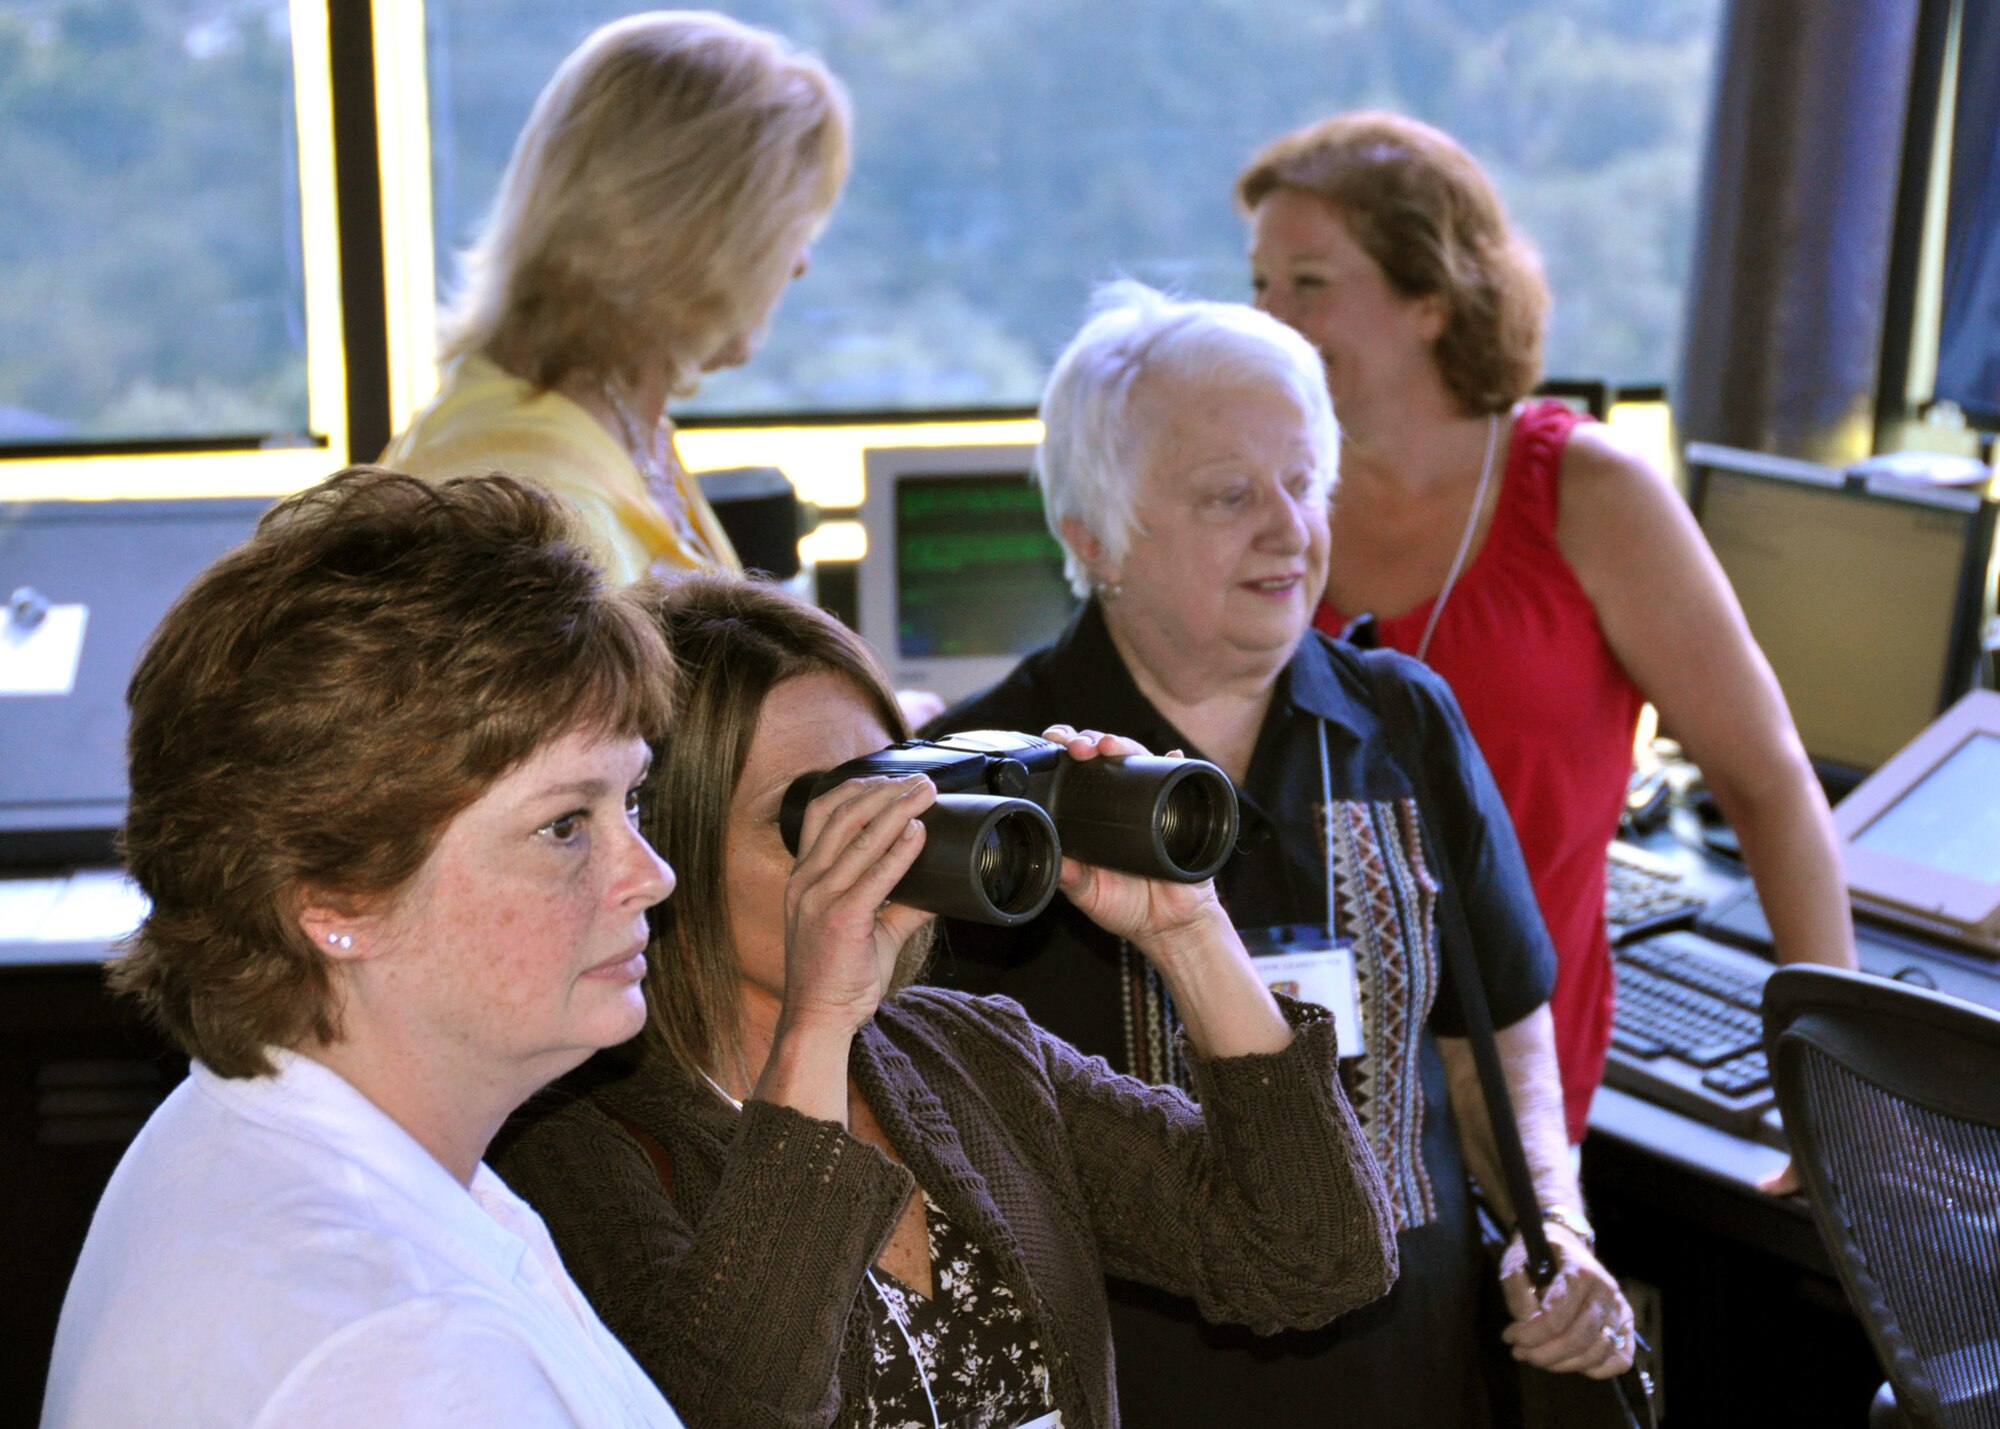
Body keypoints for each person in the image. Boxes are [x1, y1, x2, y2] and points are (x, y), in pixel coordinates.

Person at [924, 282, 1634, 1427]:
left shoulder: (1404, 723)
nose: (1287, 529)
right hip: (1144, 1387)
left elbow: (1495, 1029)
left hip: (1418, 1372)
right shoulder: (993, 795)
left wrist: (1553, 1222)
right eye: (1227, 496)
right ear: (1091, 534)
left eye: (1303, 483)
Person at [489, 573, 1398, 1429]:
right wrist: (816, 1025)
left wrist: (1188, 933)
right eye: (820, 821)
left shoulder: (972, 1060)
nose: (886, 846)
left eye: (892, 793)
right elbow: (731, 1405)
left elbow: (1318, 1258)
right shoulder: (570, 1145)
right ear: (666, 859)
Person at [1237, 110, 1857, 1149]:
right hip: (1287, 1090)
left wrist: (1836, 1082)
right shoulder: (1265, 498)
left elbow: (1767, 783)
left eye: (1307, 283)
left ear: (1429, 298)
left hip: (1511, 1094)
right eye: (1257, 284)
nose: (1266, 317)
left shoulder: (1590, 492)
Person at [41, 470, 686, 1428]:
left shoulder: (251, 1129)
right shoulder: (405, 1357)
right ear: (335, 895)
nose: (652, 874)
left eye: (627, 801)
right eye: (564, 826)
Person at [382, 11, 851, 583]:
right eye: (786, 235)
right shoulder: (545, 515)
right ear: (698, 242)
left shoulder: (614, 418)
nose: (800, 265)